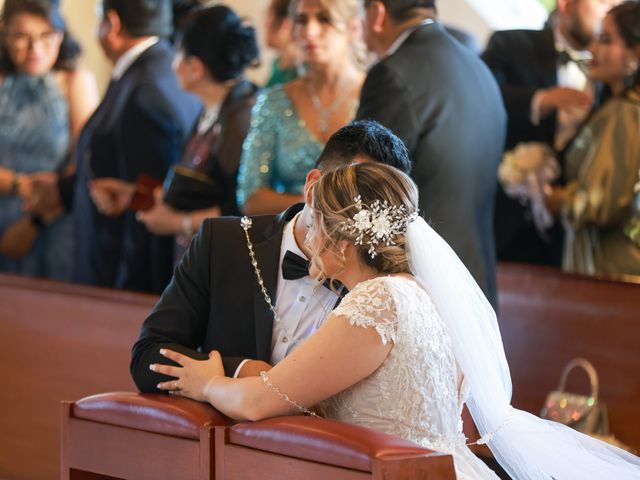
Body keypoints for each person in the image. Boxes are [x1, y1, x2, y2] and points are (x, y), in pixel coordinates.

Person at [151, 161, 640, 479]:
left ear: (343, 244)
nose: (307, 235)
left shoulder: (375, 302)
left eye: (314, 224)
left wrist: (209, 382)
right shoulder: (424, 295)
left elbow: (261, 403)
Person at [131, 120, 412, 391]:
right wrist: (239, 370)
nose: (353, 225)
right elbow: (148, 357)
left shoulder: (380, 293)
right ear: (313, 188)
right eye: (353, 200)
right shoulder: (223, 243)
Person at [355, 0, 506, 308]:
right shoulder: (478, 69)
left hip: (423, 285)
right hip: (477, 282)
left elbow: (362, 188)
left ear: (378, 14)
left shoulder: (393, 75)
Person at [95, 5, 260, 256]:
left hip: (226, 269)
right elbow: (199, 189)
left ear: (195, 67)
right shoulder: (213, 110)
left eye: (178, 53)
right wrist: (133, 195)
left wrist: (177, 223)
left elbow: (242, 209)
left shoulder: (241, 118)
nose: (172, 64)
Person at [72, 0, 201, 294]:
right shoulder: (162, 68)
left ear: (113, 24)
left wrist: (125, 292)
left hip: (121, 275)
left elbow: (147, 200)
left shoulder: (144, 91)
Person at [482, 0, 618, 266]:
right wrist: (540, 100)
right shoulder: (511, 44)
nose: (610, 10)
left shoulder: (614, 77)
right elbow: (480, 97)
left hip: (571, 242)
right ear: (566, 4)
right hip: (503, 224)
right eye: (603, 1)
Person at [236, 0, 365, 216]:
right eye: (301, 20)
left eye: (324, 19)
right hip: (288, 239)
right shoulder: (274, 101)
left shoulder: (374, 98)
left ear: (354, 28)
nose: (309, 31)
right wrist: (315, 202)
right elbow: (250, 198)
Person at [0, 0, 98, 281]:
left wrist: (37, 220)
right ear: (4, 32)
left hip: (55, 219)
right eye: (22, 36)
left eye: (47, 36)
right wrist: (21, 185)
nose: (36, 49)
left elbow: (84, 161)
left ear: (61, 33)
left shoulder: (75, 81)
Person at [547, 1, 640, 276]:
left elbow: (599, 204)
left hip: (610, 270)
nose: (594, 49)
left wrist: (552, 198)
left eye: (606, 40)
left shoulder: (625, 113)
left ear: (636, 53)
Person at [264, 0, 302, 87]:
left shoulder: (301, 75)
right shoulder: (278, 65)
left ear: (285, 25)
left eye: (268, 17)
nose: (265, 25)